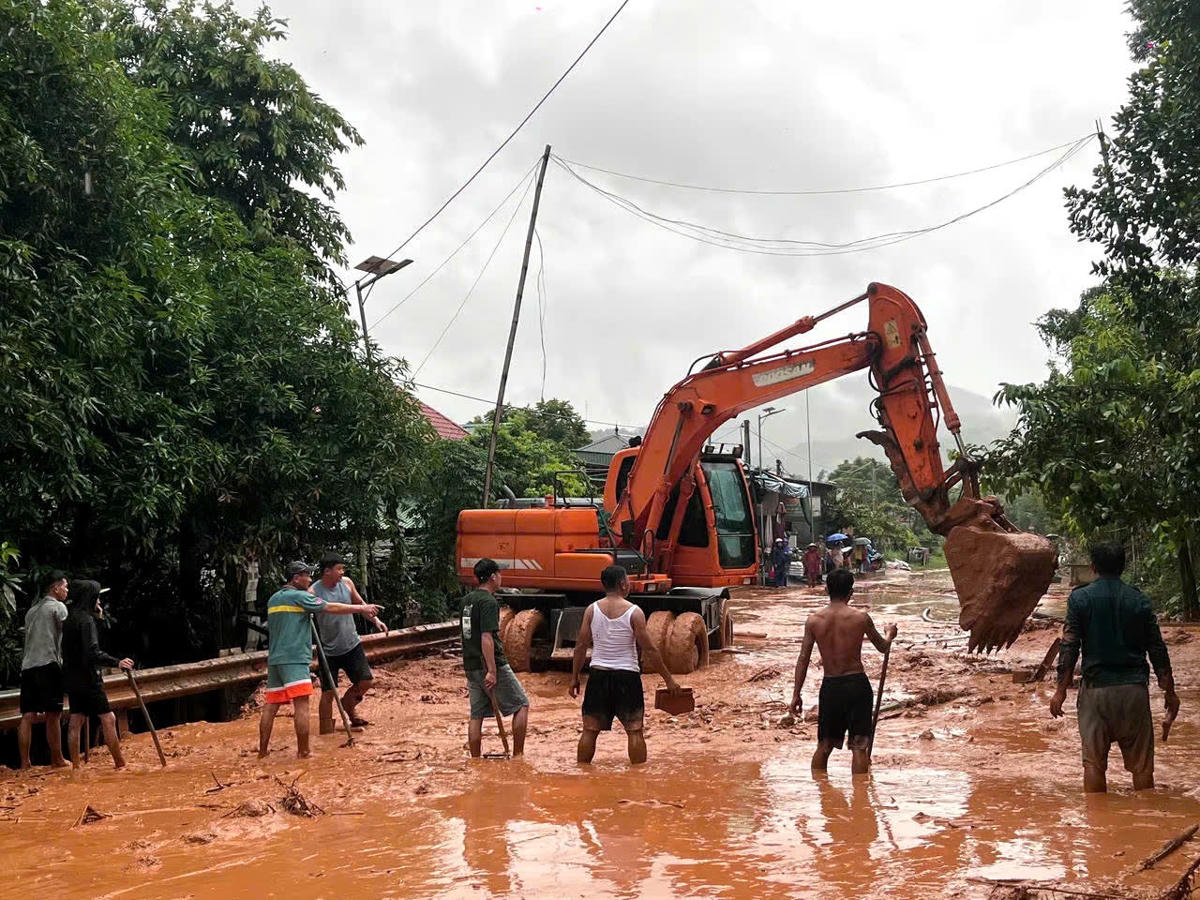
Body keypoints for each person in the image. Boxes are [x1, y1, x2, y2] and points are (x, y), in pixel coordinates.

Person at [1051, 542, 1178, 793]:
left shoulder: (1080, 599)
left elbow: (1069, 646)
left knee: (1093, 765)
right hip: (1134, 692)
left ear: (1093, 567)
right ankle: (1147, 815)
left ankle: (1097, 816)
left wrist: (1060, 690)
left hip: (1096, 693)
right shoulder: (1139, 599)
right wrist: (1169, 692)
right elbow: (1157, 649)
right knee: (1142, 769)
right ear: (1123, 567)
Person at [259, 561, 382, 759]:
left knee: (271, 705)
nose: (309, 580)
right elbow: (330, 607)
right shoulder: (301, 597)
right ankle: (304, 752)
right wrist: (361, 609)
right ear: (296, 578)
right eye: (306, 576)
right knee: (301, 704)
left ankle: (262, 752)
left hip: (275, 659)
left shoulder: (274, 599)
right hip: (295, 658)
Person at [569, 565, 682, 765]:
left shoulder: (591, 610)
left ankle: (582, 774)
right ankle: (639, 777)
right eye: (628, 581)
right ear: (622, 584)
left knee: (589, 731)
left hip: (598, 676)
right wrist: (669, 680)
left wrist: (574, 678)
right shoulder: (634, 612)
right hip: (627, 677)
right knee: (635, 731)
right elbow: (649, 649)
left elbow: (580, 646)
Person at [789, 569, 896, 774]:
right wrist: (890, 634)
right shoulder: (861, 618)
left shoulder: (813, 621)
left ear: (826, 590)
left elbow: (803, 659)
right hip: (857, 685)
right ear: (851, 592)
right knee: (859, 747)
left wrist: (796, 694)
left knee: (824, 746)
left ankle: (821, 789)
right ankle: (860, 793)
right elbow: (883, 647)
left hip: (831, 687)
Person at [61, 580, 134, 769]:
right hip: (88, 677)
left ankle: (76, 767)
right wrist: (117, 662)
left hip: (72, 676)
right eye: (97, 597)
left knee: (76, 719)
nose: (99, 601)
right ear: (90, 598)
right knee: (108, 718)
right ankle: (119, 763)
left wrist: (98, 619)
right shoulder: (86, 620)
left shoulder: (69, 619)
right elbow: (92, 651)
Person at [311, 553, 386, 734]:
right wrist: (360, 608)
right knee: (328, 692)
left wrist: (375, 620)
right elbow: (336, 608)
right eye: (339, 569)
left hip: (351, 643)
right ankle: (326, 730)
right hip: (328, 649)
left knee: (366, 681)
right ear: (327, 571)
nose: (342, 572)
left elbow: (361, 604)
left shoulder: (347, 583)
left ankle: (348, 705)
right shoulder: (313, 592)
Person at [461, 558, 529, 758]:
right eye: (499, 574)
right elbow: (486, 637)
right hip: (490, 664)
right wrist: (492, 670)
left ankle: (475, 759)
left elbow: (465, 634)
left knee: (476, 715)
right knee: (521, 705)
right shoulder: (489, 602)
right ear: (493, 576)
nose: (501, 577)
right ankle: (518, 756)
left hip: (471, 664)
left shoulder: (466, 600)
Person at [18, 570, 70, 769]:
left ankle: (25, 762)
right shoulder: (58, 607)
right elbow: (67, 634)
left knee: (27, 715)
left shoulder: (31, 611)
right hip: (48, 663)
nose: (67, 590)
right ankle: (57, 759)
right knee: (53, 713)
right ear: (55, 588)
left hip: (28, 666)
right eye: (65, 586)